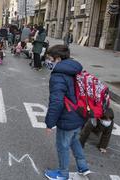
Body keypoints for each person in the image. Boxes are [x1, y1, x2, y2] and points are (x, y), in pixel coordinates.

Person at [44, 45, 90, 180]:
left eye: (50, 58)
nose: (48, 61)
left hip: (67, 117)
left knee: (62, 146)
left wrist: (49, 123)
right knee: (74, 140)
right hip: (80, 114)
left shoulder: (58, 76)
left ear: (58, 59)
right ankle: (83, 166)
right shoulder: (75, 69)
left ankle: (62, 174)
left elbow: (56, 102)